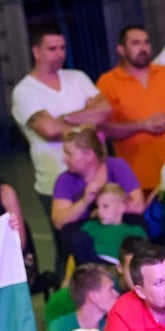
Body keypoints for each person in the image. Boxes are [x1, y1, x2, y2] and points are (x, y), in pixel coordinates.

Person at [12, 25, 111, 276]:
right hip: (54, 181)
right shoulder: (25, 91)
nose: (59, 54)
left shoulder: (77, 78)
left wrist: (63, 119)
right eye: (52, 48)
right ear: (36, 51)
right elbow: (48, 128)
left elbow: (105, 110)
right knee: (68, 248)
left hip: (95, 175)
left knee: (102, 238)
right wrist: (86, 120)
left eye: (63, 48)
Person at [96, 25, 165, 193]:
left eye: (146, 43)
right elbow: (104, 128)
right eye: (136, 43)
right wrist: (142, 125)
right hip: (136, 179)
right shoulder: (107, 82)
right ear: (121, 49)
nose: (143, 48)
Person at [51, 128, 145, 271]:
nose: (64, 159)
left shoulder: (116, 166)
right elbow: (59, 221)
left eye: (69, 154)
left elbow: (138, 205)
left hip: (119, 230)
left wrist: (110, 206)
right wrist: (85, 202)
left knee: (138, 225)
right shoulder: (64, 180)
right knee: (73, 236)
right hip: (88, 238)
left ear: (89, 155)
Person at [75, 185, 148, 265]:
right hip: (92, 266)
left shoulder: (134, 230)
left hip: (118, 269)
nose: (99, 211)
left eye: (105, 206)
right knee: (80, 238)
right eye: (98, 207)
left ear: (122, 207)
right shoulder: (90, 226)